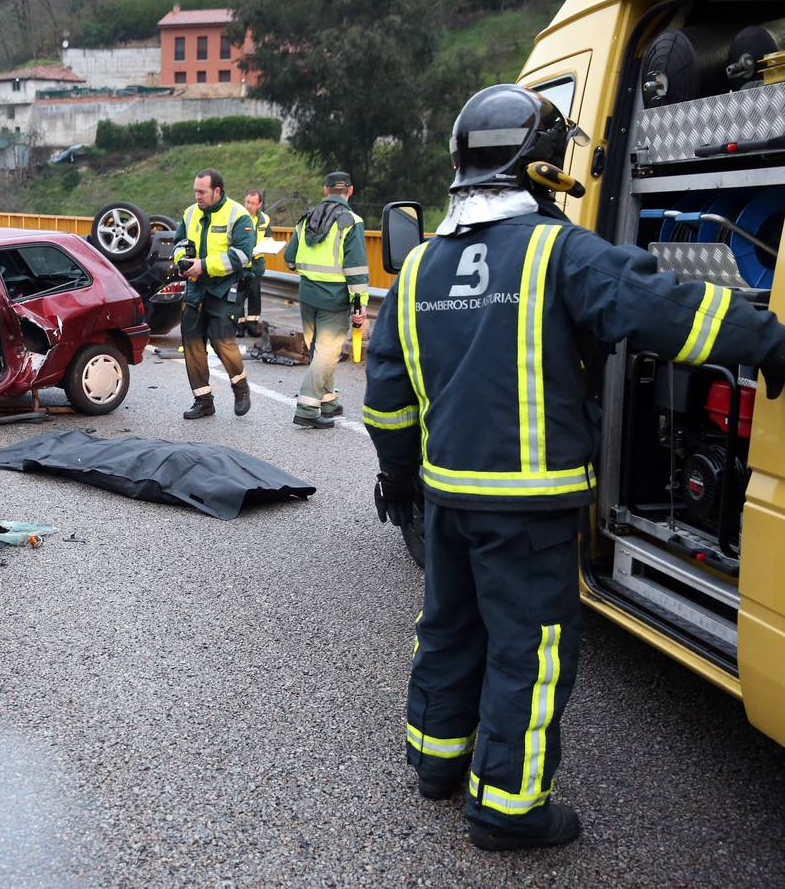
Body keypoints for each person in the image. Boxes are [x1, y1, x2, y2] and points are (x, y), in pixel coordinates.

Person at [363, 84, 785, 851]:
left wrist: (400, 481)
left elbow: (387, 396)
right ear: (542, 169)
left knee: (448, 629)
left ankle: (435, 762)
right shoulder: (561, 252)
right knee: (529, 651)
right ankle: (509, 810)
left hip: (449, 496)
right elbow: (666, 309)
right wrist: (766, 337)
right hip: (530, 507)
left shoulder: (418, 269)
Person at [284, 171, 370, 428]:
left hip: (307, 295)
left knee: (318, 351)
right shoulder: (351, 221)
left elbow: (290, 258)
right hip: (334, 299)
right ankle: (308, 409)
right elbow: (355, 268)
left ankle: (328, 401)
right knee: (326, 354)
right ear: (350, 191)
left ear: (325, 190)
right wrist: (359, 305)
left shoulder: (306, 218)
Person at [172, 168, 257, 419]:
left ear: (217, 191)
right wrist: (182, 262)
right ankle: (203, 400)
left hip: (224, 288)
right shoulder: (190, 213)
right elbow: (178, 243)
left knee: (222, 342)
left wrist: (205, 265)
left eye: (202, 192)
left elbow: (242, 255)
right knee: (192, 344)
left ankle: (240, 389)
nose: (197, 196)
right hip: (196, 288)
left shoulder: (238, 215)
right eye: (195, 191)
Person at [235, 189, 271, 337]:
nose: (249, 206)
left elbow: (268, 238)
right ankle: (240, 326)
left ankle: (253, 325)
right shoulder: (239, 217)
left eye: (252, 203)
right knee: (239, 296)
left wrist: (268, 246)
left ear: (260, 204)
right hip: (241, 264)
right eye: (247, 202)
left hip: (256, 264)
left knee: (255, 296)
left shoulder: (265, 219)